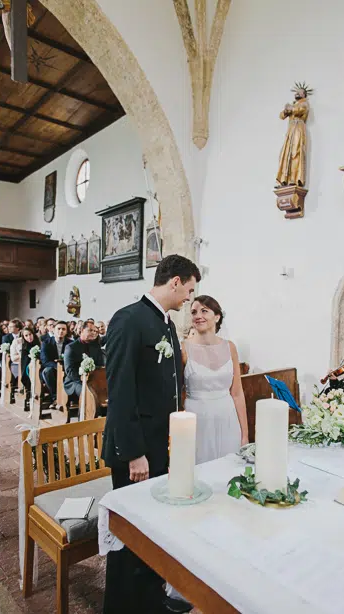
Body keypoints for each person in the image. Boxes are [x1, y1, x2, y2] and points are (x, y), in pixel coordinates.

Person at [102, 254, 200, 614]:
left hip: (159, 444)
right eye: (188, 289)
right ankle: (120, 607)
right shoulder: (129, 319)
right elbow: (121, 388)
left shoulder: (166, 324)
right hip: (136, 449)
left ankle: (148, 600)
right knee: (130, 534)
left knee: (152, 530)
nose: (189, 298)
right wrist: (133, 452)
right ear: (174, 281)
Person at [183, 296, 249, 464]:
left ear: (217, 316)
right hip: (197, 418)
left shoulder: (230, 347)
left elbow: (237, 393)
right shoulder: (184, 348)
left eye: (204, 311)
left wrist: (245, 434)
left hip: (227, 416)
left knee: (229, 469)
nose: (198, 315)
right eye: (194, 312)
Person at [63, 321, 104, 400]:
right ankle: (85, 412)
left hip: (93, 380)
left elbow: (100, 366)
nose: (93, 333)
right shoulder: (71, 347)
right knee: (88, 392)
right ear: (82, 330)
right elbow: (70, 372)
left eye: (95, 331)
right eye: (90, 330)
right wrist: (85, 380)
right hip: (75, 381)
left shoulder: (96, 347)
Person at [40, 321, 71, 405]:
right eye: (59, 329)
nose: (61, 331)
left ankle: (70, 397)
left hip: (66, 368)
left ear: (66, 331)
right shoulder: (46, 343)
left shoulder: (70, 343)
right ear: (53, 330)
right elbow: (45, 361)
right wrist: (58, 367)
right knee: (47, 371)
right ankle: (55, 397)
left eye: (63, 329)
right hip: (52, 369)